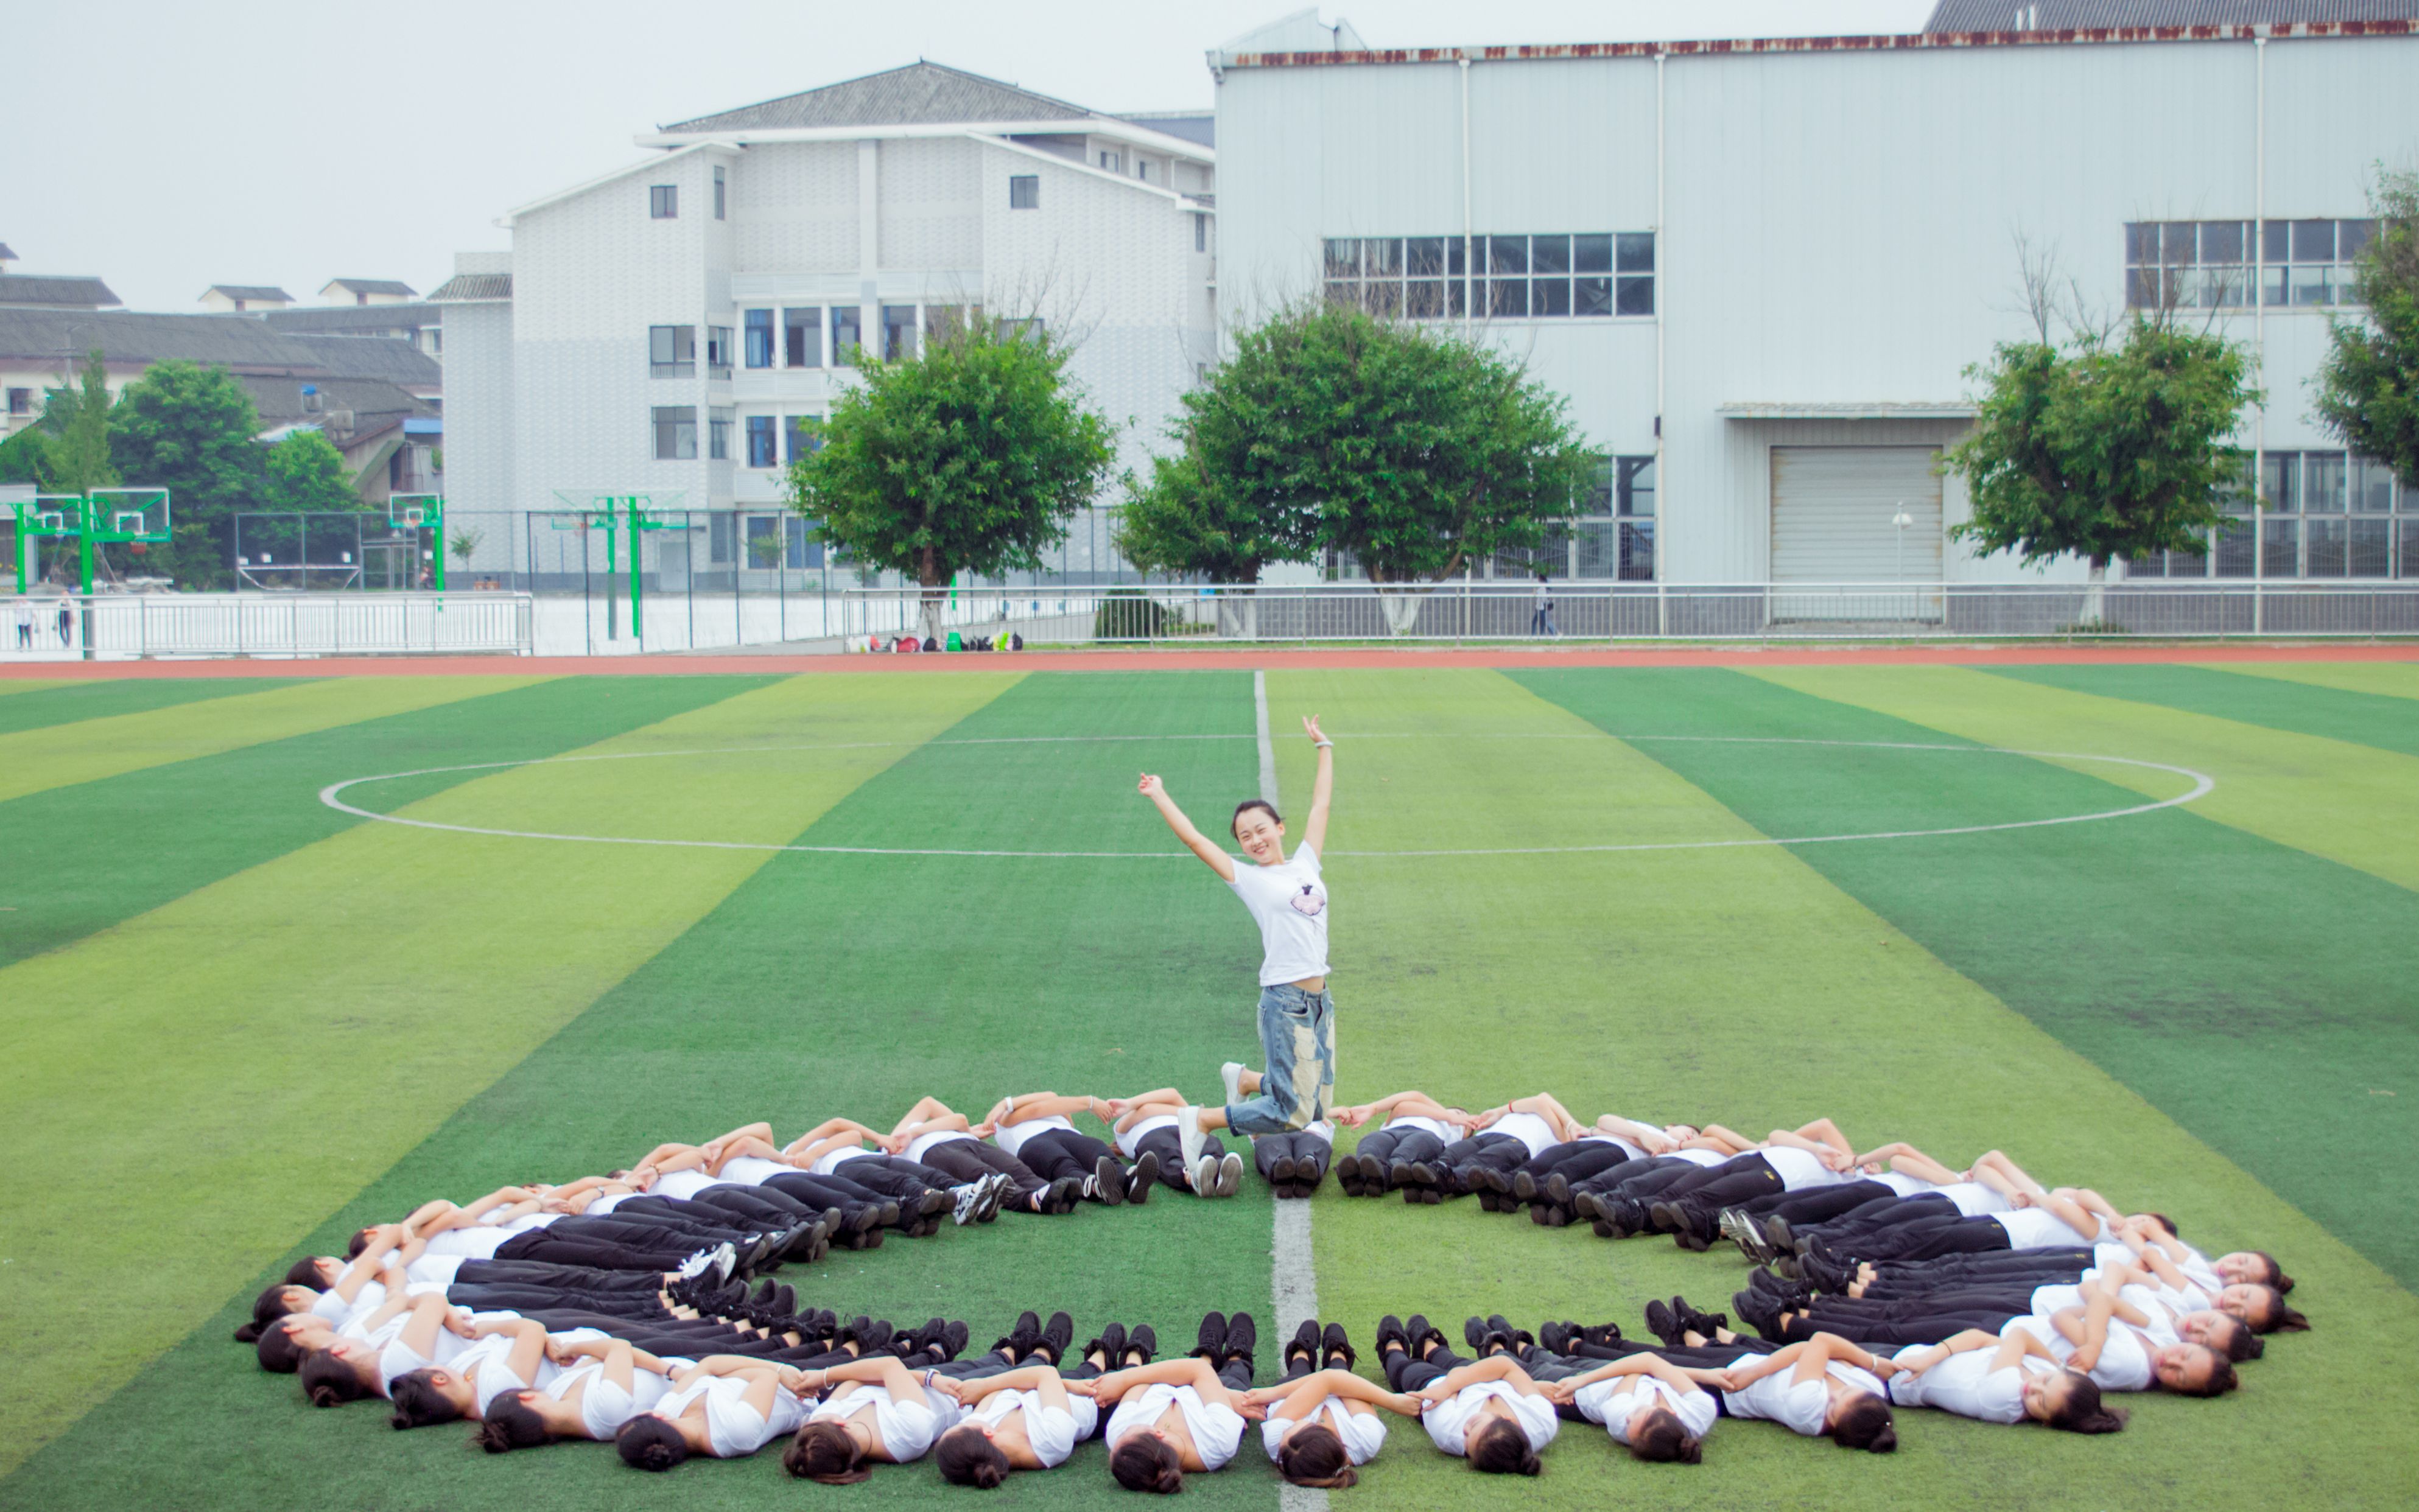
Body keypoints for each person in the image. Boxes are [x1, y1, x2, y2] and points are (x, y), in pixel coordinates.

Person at [1137, 714, 1336, 1181]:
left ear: (1279, 828)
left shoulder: (1307, 862)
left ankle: (1247, 1081)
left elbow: (1321, 806)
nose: (1255, 840)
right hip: (1284, 1002)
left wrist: (1323, 746)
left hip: (1320, 1000)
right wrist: (1160, 793)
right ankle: (1203, 1118)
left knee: (1318, 1108)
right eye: (1245, 837)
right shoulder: (1248, 878)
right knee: (1292, 1113)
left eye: (1261, 829)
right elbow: (1193, 839)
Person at [1089, 1312, 1262, 1492]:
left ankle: (1207, 1354)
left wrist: (1199, 1380)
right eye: (1130, 1430)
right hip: (1212, 1386)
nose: (1119, 1435)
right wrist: (1223, 1394)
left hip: (1187, 1385)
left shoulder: (1118, 1437)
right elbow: (1196, 1371)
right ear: (1158, 1434)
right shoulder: (1220, 1442)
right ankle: (1236, 1354)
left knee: (1203, 1368)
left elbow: (1140, 1382)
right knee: (1236, 1379)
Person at [1374, 1314, 1557, 1474]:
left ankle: (1392, 1346)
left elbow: (1452, 1382)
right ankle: (1429, 1344)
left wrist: (1448, 1386)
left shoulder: (1448, 1434)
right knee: (1449, 1360)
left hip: (1436, 1384)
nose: (1465, 1431)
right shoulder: (1542, 1423)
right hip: (1477, 1377)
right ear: (1506, 1418)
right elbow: (1505, 1365)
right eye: (1475, 1426)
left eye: (1468, 1446)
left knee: (1403, 1369)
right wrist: (1455, 1384)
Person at [1244, 1321, 1419, 1488]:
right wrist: (1393, 1402)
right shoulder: (1366, 1440)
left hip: (1291, 1392)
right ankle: (1338, 1354)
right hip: (1339, 1391)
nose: (1286, 1430)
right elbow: (1342, 1385)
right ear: (1321, 1430)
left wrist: (1273, 1393)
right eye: (1291, 1430)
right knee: (1340, 1370)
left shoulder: (1278, 1444)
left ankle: (1302, 1352)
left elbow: (1329, 1382)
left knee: (1298, 1372)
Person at [1333, 1090, 1477, 1200]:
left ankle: (1377, 1178)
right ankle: (1356, 1177)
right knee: (1371, 1147)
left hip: (1426, 1136)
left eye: (1467, 1126)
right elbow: (1404, 1105)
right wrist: (1448, 1116)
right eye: (1459, 1113)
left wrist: (1454, 1121)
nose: (1462, 1120)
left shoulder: (1451, 1135)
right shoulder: (1444, 1115)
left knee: (1402, 1158)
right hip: (1391, 1132)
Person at [1531, 571, 1557, 637]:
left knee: (1545, 622)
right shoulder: (1546, 585)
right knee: (1539, 622)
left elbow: (1537, 594)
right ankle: (1536, 635)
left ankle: (1555, 634)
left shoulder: (1543, 586)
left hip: (1543, 607)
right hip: (1541, 606)